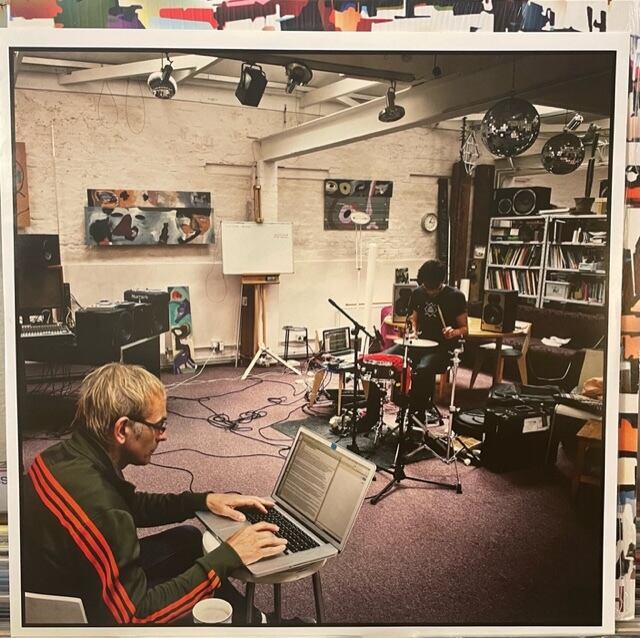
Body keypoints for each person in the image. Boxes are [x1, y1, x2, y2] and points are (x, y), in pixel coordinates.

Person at [22, 363, 289, 626]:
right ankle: (260, 627)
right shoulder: (102, 510)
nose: (164, 436)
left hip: (73, 577)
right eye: (159, 425)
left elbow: (130, 506)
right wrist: (228, 556)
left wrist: (203, 500)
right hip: (83, 616)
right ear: (122, 430)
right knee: (206, 572)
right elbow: (134, 617)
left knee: (188, 538)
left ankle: (255, 621)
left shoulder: (63, 456)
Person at [390, 259, 468, 419]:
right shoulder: (418, 293)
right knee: (384, 359)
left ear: (442, 282)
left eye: (434, 289)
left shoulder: (456, 296)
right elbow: (413, 318)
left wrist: (453, 332)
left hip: (442, 348)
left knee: (423, 369)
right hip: (419, 343)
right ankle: (382, 410)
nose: (430, 292)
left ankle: (416, 415)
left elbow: (465, 329)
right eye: (427, 287)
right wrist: (413, 330)